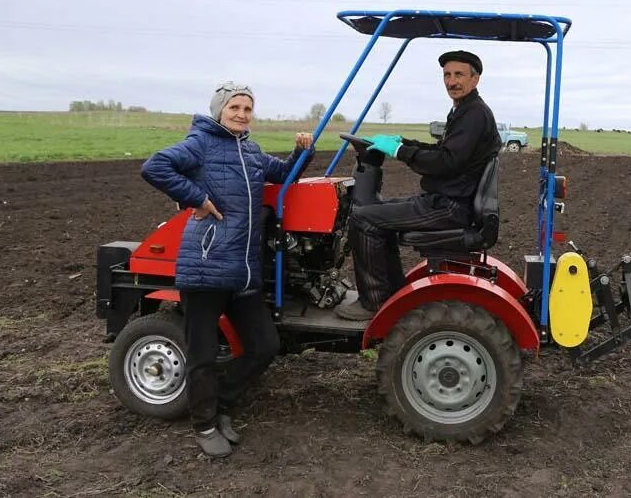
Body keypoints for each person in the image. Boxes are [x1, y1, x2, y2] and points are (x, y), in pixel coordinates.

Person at [141, 81, 313, 458]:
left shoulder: (250, 150)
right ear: (220, 109)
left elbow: (284, 175)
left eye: (247, 108)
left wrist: (303, 151)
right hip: (204, 267)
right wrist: (196, 198)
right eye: (234, 107)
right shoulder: (200, 143)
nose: (241, 114)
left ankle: (220, 404)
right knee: (202, 353)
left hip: (242, 270)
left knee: (265, 346)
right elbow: (156, 166)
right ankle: (203, 425)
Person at [335, 50, 502, 321]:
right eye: (447, 75)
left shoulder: (474, 114)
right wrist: (403, 142)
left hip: (451, 206)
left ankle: (374, 302)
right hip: (450, 200)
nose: (451, 81)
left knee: (363, 218)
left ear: (475, 78)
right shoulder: (464, 111)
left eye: (459, 74)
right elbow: (444, 150)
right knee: (376, 213)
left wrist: (400, 151)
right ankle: (393, 293)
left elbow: (445, 162)